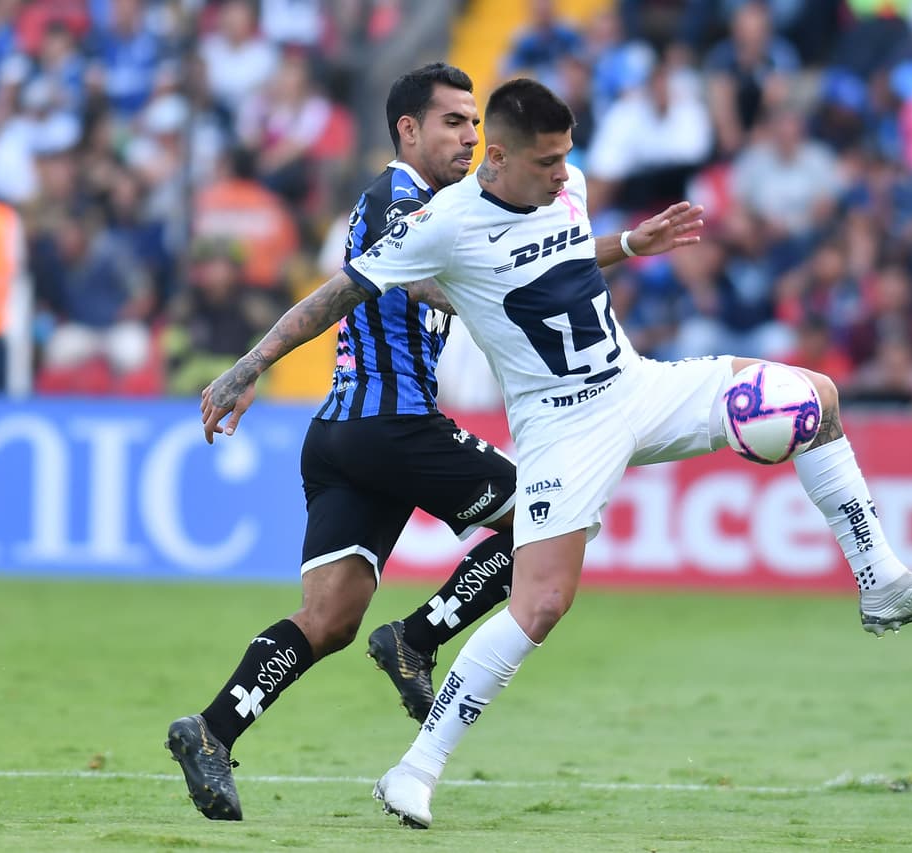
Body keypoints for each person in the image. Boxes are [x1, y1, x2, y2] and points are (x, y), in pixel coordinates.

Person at [199, 79, 912, 830]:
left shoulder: (564, 186)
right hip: (559, 431)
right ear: (499, 160)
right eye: (546, 161)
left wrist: (630, 242)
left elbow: (563, 254)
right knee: (541, 603)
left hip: (637, 387)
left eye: (564, 156)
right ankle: (416, 766)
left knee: (813, 395)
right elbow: (334, 295)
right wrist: (249, 366)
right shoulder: (443, 227)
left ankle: (880, 581)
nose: (563, 172)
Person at [164, 63, 704, 822]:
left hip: (344, 434)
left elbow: (512, 265)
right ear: (408, 130)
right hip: (394, 424)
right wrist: (250, 366)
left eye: (475, 123)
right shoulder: (403, 201)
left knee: (329, 616)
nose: (470, 136)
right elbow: (428, 285)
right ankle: (416, 639)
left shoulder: (453, 209)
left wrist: (620, 243)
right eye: (453, 121)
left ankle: (212, 729)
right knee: (544, 523)